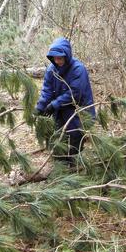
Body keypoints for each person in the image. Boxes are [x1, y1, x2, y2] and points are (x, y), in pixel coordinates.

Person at [34, 37, 95, 165]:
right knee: (59, 135)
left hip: (78, 110)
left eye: (60, 58)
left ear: (67, 55)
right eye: (55, 58)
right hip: (60, 110)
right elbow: (47, 90)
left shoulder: (78, 69)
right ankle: (60, 165)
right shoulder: (51, 69)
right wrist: (40, 106)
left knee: (74, 136)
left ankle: (74, 165)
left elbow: (75, 93)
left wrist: (54, 104)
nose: (57, 61)